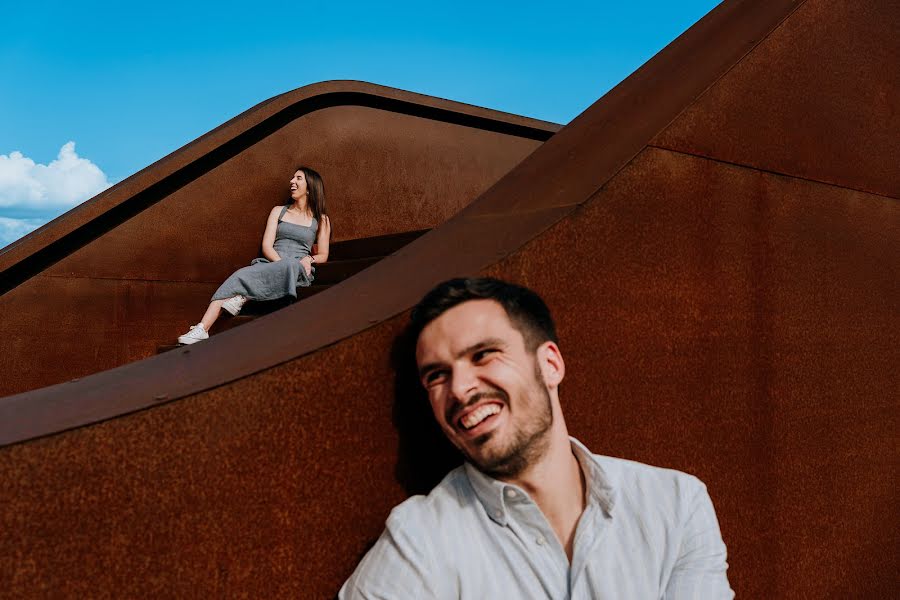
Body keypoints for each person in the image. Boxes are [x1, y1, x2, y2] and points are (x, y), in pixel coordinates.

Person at [340, 278, 734, 599]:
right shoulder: (419, 542)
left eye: (483, 355)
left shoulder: (674, 505)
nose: (459, 389)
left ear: (549, 365)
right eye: (436, 376)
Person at [177, 167, 331, 344]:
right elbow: (267, 245)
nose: (292, 181)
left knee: (290, 265)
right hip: (270, 262)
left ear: (310, 187)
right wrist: (278, 266)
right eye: (292, 177)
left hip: (297, 269)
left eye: (298, 178)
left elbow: (324, 254)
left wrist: (310, 258)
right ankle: (202, 328)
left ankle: (244, 297)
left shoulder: (321, 220)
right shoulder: (278, 211)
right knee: (239, 275)